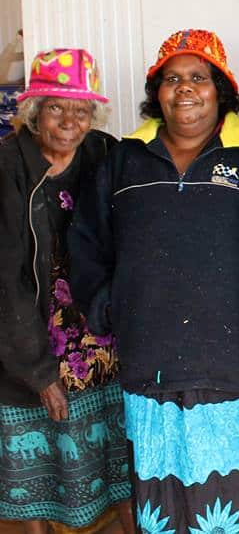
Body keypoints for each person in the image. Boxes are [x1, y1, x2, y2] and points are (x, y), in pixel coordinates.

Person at [70, 29, 239, 533]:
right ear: (157, 92)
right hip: (153, 366)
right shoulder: (125, 158)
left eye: (199, 78)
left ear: (221, 89)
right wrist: (111, 307)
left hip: (236, 365)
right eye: (172, 79)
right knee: (163, 506)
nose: (185, 89)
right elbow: (87, 240)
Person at [0, 49, 133, 533]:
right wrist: (35, 370)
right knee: (34, 458)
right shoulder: (8, 166)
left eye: (80, 110)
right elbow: (6, 281)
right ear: (35, 111)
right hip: (29, 332)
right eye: (56, 107)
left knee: (118, 454)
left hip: (96, 326)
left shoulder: (104, 152)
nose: (69, 121)